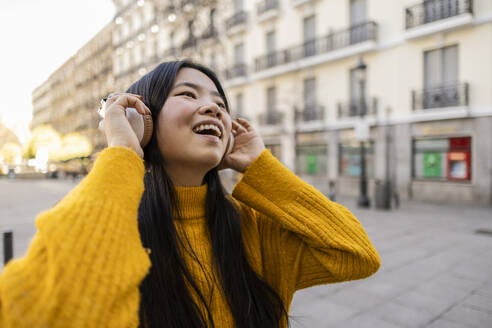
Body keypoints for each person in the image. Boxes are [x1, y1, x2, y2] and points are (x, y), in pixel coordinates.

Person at [0, 60, 381, 328]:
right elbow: (45, 314)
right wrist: (122, 152)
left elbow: (356, 253)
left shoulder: (253, 228)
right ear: (142, 120)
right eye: (188, 94)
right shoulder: (106, 223)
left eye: (220, 103)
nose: (213, 109)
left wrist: (262, 165)